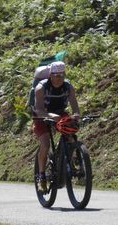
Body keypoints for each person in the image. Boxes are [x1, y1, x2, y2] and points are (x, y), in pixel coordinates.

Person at [32, 61, 81, 193]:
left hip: (59, 114)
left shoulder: (68, 87)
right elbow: (39, 110)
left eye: (61, 75)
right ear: (50, 76)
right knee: (46, 144)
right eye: (56, 76)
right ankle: (41, 177)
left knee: (70, 135)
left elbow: (75, 106)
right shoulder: (41, 88)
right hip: (41, 115)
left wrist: (76, 115)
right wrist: (50, 115)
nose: (59, 79)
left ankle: (69, 162)